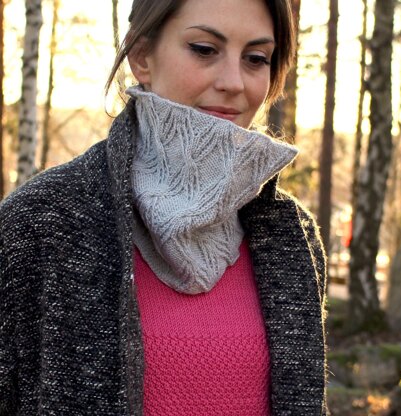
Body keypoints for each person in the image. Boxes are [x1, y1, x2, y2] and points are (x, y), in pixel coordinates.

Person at [0, 0, 328, 414]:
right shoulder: (41, 222)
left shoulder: (291, 235)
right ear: (141, 56)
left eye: (256, 58)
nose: (234, 82)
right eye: (204, 49)